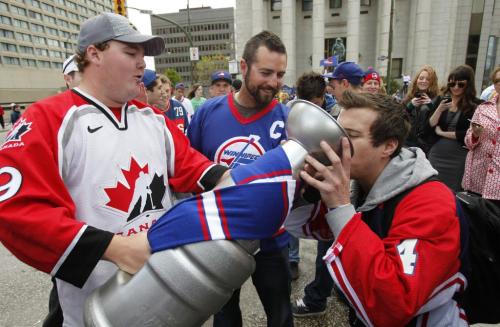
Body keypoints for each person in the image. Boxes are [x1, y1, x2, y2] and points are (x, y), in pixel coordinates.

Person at [0, 13, 229, 326]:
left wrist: (236, 182)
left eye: (143, 56)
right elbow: (15, 208)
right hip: (95, 310)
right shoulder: (48, 118)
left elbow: (192, 166)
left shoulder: (152, 118)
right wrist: (115, 248)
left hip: (164, 293)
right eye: (131, 53)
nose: (142, 65)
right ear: (94, 54)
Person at [300, 90, 466, 326]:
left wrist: (340, 206)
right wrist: (304, 190)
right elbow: (307, 228)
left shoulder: (432, 200)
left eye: (351, 135)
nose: (336, 144)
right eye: (337, 132)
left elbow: (393, 303)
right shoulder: (359, 181)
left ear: (388, 146)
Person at [187, 30, 293, 327]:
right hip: (220, 239)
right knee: (224, 316)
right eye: (266, 72)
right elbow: (190, 168)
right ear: (244, 67)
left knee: (281, 315)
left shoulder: (287, 119)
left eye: (280, 74)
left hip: (271, 241)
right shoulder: (208, 112)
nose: (274, 82)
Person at [428, 65, 480, 191]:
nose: (456, 87)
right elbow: (429, 125)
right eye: (452, 84)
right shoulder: (441, 99)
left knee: (452, 192)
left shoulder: (477, 105)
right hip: (437, 154)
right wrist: (439, 109)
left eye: (461, 84)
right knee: (432, 188)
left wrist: (443, 133)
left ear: (468, 84)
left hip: (459, 157)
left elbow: (468, 134)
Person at [462, 65, 500, 208]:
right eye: (497, 80)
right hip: (478, 176)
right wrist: (475, 135)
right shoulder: (483, 108)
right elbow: (468, 142)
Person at [402, 65, 440, 153]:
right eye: (421, 78)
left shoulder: (437, 99)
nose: (423, 81)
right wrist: (409, 106)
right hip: (407, 143)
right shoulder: (408, 98)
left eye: (427, 79)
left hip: (426, 146)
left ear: (432, 82)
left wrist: (431, 106)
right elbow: (398, 119)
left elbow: (440, 122)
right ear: (416, 80)